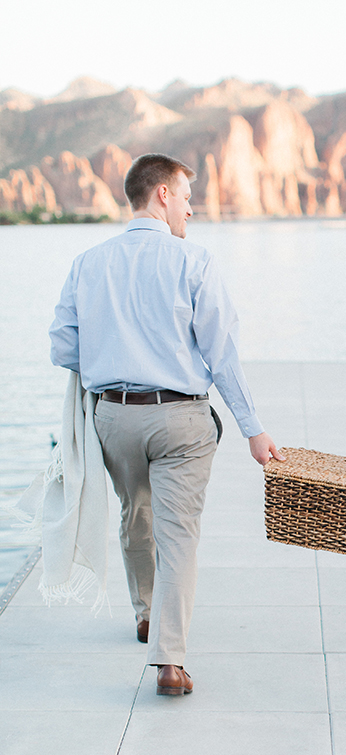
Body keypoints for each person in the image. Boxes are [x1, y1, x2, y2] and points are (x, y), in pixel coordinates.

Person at [49, 153, 281, 696]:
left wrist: (114, 350)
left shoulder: (87, 262)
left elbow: (63, 347)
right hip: (180, 418)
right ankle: (170, 661)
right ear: (161, 196)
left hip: (114, 417)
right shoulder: (193, 263)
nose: (189, 211)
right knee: (179, 534)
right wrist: (252, 428)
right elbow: (221, 353)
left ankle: (146, 613)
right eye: (185, 198)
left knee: (136, 512)